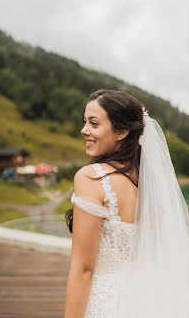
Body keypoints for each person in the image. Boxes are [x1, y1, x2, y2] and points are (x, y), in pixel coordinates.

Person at [64, 89, 189, 318]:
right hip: (145, 301)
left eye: (94, 123)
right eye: (85, 122)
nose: (84, 130)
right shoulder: (148, 184)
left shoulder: (91, 178)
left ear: (121, 131)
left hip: (105, 304)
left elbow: (83, 270)